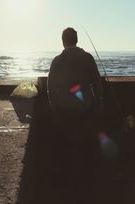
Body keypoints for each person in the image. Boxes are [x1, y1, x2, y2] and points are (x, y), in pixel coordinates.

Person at [47, 27, 103, 189]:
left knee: (63, 146)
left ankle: (64, 181)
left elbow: (50, 87)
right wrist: (99, 103)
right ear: (76, 40)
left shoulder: (57, 61)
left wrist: (54, 107)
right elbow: (97, 84)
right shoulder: (88, 58)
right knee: (87, 145)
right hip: (86, 108)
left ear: (63, 41)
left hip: (64, 110)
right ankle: (87, 180)